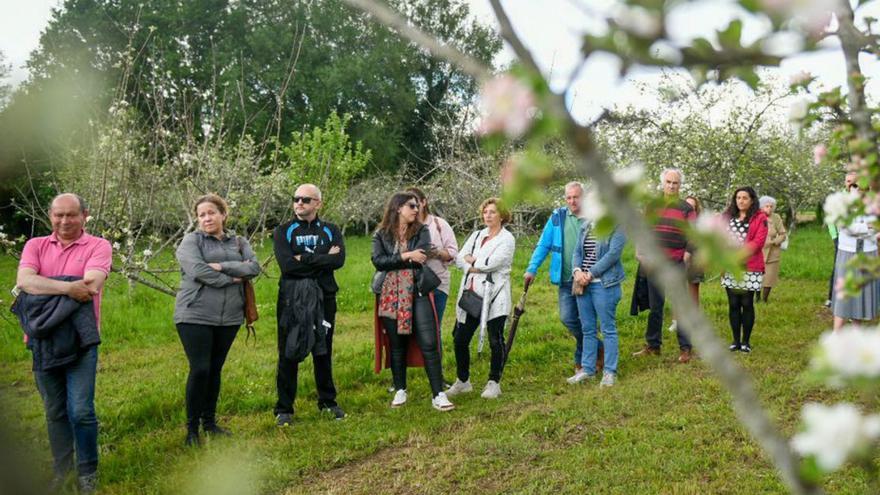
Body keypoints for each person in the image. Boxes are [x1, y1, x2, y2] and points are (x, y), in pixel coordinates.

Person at [14, 193, 112, 492]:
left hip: (81, 341)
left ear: (85, 215)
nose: (64, 221)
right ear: (50, 215)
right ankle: (62, 469)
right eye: (58, 215)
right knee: (54, 411)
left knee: (80, 410)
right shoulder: (35, 245)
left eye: (71, 215)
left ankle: (87, 472)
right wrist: (69, 287)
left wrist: (44, 287)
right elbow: (25, 282)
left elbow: (91, 286)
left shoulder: (99, 246)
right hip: (42, 341)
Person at [174, 194, 260, 445]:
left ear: (223, 214)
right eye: (201, 215)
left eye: (211, 212)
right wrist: (232, 278)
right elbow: (197, 270)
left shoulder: (239, 241)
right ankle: (191, 429)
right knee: (200, 369)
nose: (207, 218)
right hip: (194, 314)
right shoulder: (191, 241)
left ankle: (209, 423)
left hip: (230, 316)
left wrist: (222, 268)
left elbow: (254, 267)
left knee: (215, 369)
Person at [371, 192, 453, 411]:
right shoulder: (381, 234)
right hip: (391, 294)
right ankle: (400, 389)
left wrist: (399, 260)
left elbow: (423, 255)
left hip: (418, 291)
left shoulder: (422, 230)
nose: (417, 209)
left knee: (429, 342)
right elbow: (378, 261)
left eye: (417, 206)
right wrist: (407, 256)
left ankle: (438, 393)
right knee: (397, 345)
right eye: (412, 206)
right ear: (398, 207)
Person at [273, 184, 347, 426]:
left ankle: (327, 401)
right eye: (296, 199)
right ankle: (284, 408)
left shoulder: (330, 230)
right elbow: (287, 265)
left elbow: (339, 260)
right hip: (291, 298)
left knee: (323, 347)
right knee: (288, 349)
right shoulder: (284, 231)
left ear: (318, 203)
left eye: (305, 199)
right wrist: (322, 258)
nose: (299, 203)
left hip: (324, 297)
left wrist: (303, 258)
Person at [524, 181, 603, 376]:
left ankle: (582, 362)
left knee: (585, 322)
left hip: (587, 278)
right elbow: (543, 244)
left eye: (575, 197)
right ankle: (599, 347)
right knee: (568, 318)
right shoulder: (558, 217)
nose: (572, 201)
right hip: (566, 279)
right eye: (568, 197)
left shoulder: (593, 218)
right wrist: (532, 268)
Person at [446, 198, 515, 399]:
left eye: (492, 212)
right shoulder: (477, 235)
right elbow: (460, 257)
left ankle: (494, 382)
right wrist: (472, 264)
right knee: (460, 338)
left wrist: (474, 261)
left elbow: (494, 262)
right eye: (485, 212)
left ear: (501, 215)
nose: (488, 215)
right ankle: (463, 380)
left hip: (496, 293)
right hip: (473, 292)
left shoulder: (507, 238)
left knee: (495, 339)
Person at [632, 169, 696, 363]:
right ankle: (653, 345)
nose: (671, 185)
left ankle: (685, 348)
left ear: (680, 185)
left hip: (676, 262)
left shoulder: (686, 208)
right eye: (668, 182)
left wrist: (687, 254)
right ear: (663, 183)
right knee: (655, 307)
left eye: (675, 183)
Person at [567, 204, 626, 387]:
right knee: (588, 329)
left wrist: (590, 273)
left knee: (608, 329)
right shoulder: (587, 224)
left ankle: (609, 372)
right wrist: (577, 272)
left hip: (604, 284)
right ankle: (588, 369)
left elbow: (613, 254)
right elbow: (577, 251)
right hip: (583, 283)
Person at [721, 187, 768, 352]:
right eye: (738, 198)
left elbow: (758, 241)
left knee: (746, 303)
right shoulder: (727, 216)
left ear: (752, 200)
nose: (741, 201)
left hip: (751, 266)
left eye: (745, 198)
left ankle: (746, 342)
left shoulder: (760, 217)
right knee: (733, 303)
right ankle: (735, 341)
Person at [405, 187, 458, 329]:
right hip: (409, 284)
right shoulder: (404, 226)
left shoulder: (439, 224)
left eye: (416, 203)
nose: (414, 208)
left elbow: (453, 254)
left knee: (433, 329)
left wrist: (437, 253)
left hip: (436, 284)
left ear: (424, 202)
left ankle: (435, 352)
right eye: (409, 204)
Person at [831, 180, 877, 331]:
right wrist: (867, 227)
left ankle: (856, 334)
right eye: (858, 188)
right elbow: (845, 227)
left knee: (862, 293)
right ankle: (837, 335)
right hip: (848, 253)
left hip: (868, 253)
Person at [669, 195, 704, 332]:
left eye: (692, 205)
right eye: (686, 204)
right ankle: (676, 320)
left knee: (693, 290)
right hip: (678, 257)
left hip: (694, 258)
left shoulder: (698, 223)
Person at [825, 173, 857, 307]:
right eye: (847, 181)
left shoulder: (861, 197)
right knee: (838, 266)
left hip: (857, 239)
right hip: (841, 238)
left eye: (853, 181)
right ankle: (832, 297)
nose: (849, 184)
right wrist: (835, 237)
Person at [759, 196, 787, 303]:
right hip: (759, 251)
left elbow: (783, 234)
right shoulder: (756, 217)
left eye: (771, 206)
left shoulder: (776, 217)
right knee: (757, 276)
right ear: (762, 207)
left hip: (772, 251)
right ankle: (756, 297)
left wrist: (775, 241)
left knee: (769, 277)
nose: (769, 209)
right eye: (767, 206)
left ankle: (764, 299)